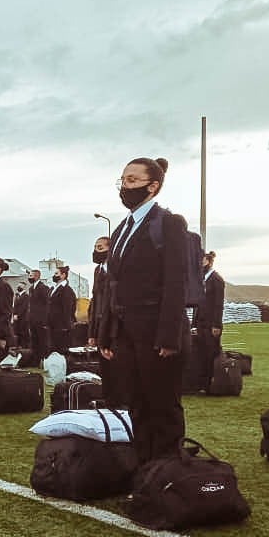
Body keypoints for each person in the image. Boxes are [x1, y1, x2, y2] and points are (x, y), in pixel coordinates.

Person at [99, 156, 188, 462]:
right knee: (136, 403)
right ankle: (145, 470)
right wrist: (106, 334)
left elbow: (177, 283)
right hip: (126, 332)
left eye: (132, 180)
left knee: (162, 404)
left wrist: (168, 337)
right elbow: (114, 283)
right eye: (123, 180)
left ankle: (167, 474)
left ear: (153, 187)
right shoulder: (122, 227)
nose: (125, 186)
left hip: (155, 333)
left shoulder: (169, 224)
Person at [86, 235, 123, 406]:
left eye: (100, 247)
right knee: (104, 364)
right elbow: (94, 301)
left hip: (116, 324)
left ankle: (120, 400)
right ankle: (109, 399)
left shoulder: (118, 268)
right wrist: (92, 332)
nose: (95, 251)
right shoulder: (98, 270)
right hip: (100, 322)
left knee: (117, 363)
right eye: (95, 247)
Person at [188, 251, 225, 392]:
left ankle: (211, 384)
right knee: (200, 354)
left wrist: (217, 325)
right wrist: (194, 324)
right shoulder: (202, 280)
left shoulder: (216, 280)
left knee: (211, 354)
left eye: (202, 261)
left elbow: (218, 304)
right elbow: (198, 304)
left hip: (211, 324)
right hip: (201, 324)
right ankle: (200, 384)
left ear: (209, 261)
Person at [47, 265, 76, 356]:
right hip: (53, 325)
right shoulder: (55, 288)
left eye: (56, 273)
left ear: (63, 275)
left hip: (61, 327)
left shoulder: (66, 290)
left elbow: (67, 309)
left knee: (61, 350)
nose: (54, 275)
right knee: (54, 350)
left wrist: (65, 326)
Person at [25, 268, 50, 365]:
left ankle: (44, 360)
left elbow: (47, 304)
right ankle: (35, 360)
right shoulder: (31, 288)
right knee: (34, 341)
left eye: (31, 276)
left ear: (37, 276)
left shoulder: (43, 288)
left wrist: (45, 319)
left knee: (42, 340)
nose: (29, 277)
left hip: (41, 320)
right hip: (33, 319)